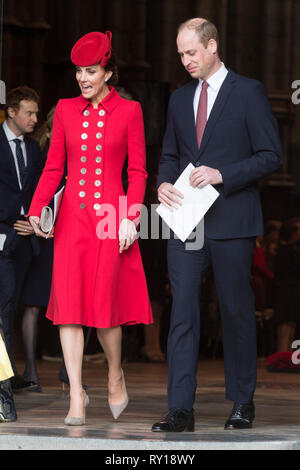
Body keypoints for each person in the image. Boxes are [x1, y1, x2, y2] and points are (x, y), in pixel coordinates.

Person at [153, 18, 282, 432]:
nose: (185, 61)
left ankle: (242, 402)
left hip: (232, 220)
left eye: (191, 52)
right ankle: (180, 409)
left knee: (236, 311)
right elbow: (170, 154)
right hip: (185, 222)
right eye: (180, 54)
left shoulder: (249, 92)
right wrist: (162, 184)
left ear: (212, 46)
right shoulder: (177, 100)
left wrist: (221, 173)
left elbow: (270, 155)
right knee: (182, 313)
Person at [28, 31, 153, 425]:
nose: (83, 78)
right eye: (79, 71)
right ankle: (76, 397)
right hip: (72, 223)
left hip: (111, 221)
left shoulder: (130, 112)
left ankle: (115, 374)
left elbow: (138, 171)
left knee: (105, 312)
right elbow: (53, 169)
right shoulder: (64, 110)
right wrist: (36, 209)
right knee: (69, 310)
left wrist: (132, 215)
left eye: (91, 70)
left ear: (108, 72)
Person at [0, 86, 42, 392]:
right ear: (11, 111)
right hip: (2, 236)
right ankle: (4, 379)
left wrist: (35, 222)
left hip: (30, 239)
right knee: (5, 303)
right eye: (28, 112)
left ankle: (10, 374)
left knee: (18, 304)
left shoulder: (34, 148)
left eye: (36, 112)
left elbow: (40, 189)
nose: (34, 118)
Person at [273, 218, 300, 352]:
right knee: (286, 324)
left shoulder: (293, 250)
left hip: (293, 291)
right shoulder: (284, 250)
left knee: (292, 324)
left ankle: (287, 356)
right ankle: (282, 355)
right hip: (286, 291)